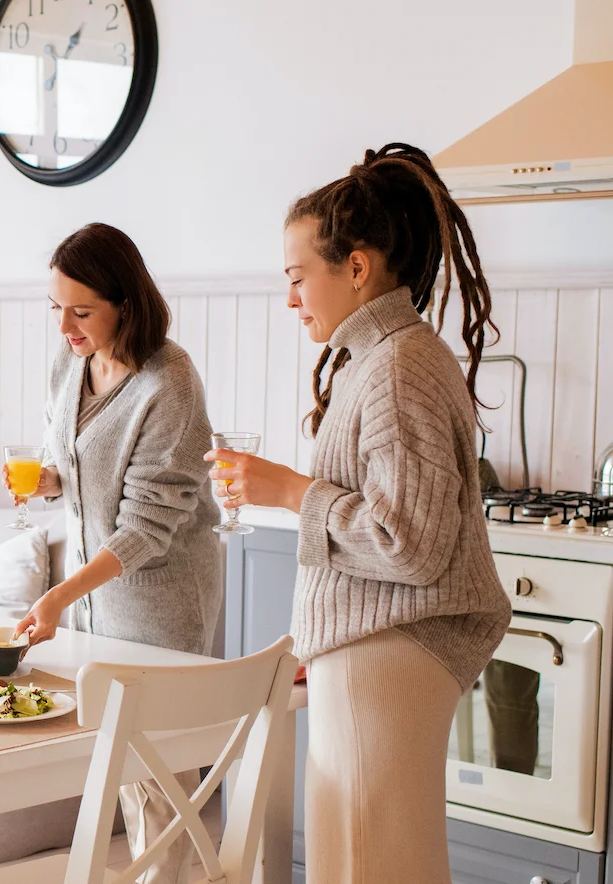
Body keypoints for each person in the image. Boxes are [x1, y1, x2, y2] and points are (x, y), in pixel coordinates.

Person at [207, 143, 510, 882]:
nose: (291, 299)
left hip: (390, 659)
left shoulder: (398, 365)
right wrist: (320, 638)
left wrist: (290, 491)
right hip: (373, 655)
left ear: (357, 267)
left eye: (296, 277)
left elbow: (410, 545)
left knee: (370, 866)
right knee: (366, 862)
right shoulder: (382, 359)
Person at [12, 222, 222, 883]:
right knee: (121, 771)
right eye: (56, 308)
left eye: (81, 312)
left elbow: (146, 527)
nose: (64, 327)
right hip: (92, 603)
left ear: (125, 303)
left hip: (157, 605)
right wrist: (47, 482)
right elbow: (72, 466)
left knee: (159, 778)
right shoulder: (70, 364)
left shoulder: (169, 382)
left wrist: (57, 594)